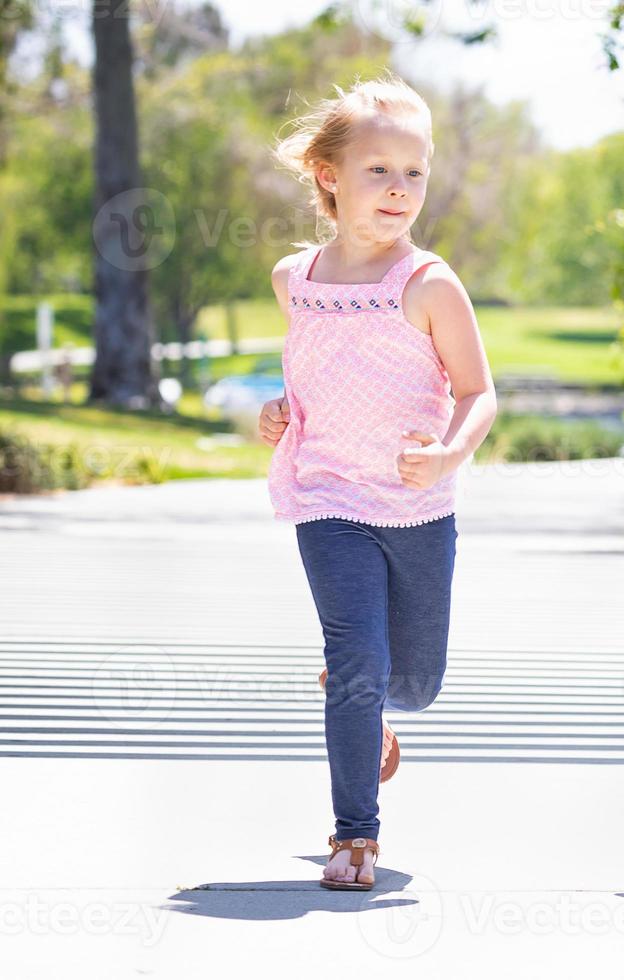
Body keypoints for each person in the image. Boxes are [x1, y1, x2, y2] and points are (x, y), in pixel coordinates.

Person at [256, 73, 496, 890]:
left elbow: (478, 392)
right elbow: (312, 376)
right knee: (356, 654)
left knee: (416, 683)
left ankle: (374, 707)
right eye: (378, 171)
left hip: (418, 507)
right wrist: (279, 413)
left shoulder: (429, 283)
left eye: (414, 173)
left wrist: (449, 456)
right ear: (329, 175)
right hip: (327, 497)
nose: (400, 190)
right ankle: (355, 832)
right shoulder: (297, 279)